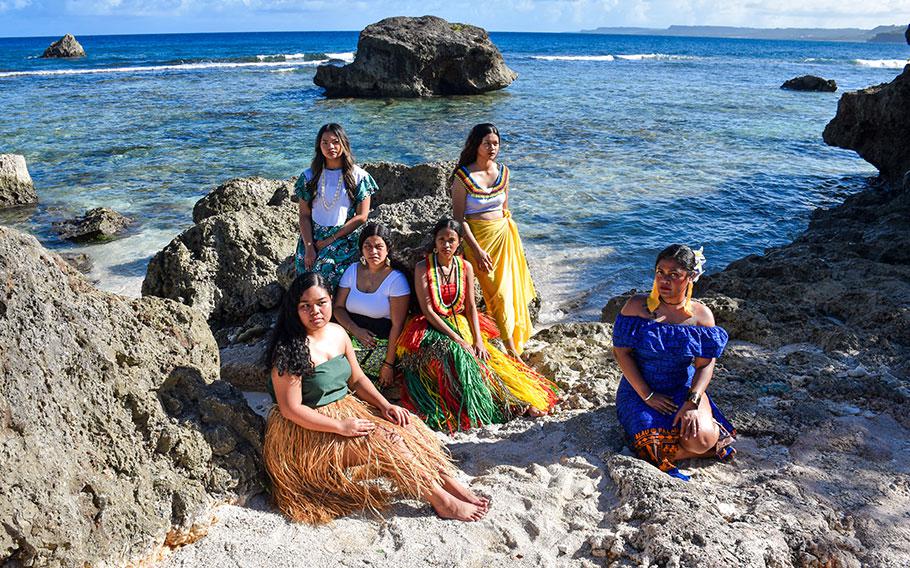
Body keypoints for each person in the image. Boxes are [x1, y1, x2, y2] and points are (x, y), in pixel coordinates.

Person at [262, 272, 489, 524]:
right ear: (294, 309)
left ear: (331, 300)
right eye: (305, 306)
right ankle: (441, 500)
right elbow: (291, 409)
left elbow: (357, 379)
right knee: (387, 443)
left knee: (407, 427)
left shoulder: (337, 332)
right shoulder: (289, 350)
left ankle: (448, 483)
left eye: (321, 303)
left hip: (343, 411)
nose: (315, 311)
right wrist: (341, 426)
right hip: (307, 429)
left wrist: (385, 405)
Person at [397, 218, 558, 432]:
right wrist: (457, 339)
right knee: (459, 356)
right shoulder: (422, 268)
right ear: (434, 242)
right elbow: (428, 310)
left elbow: (471, 306)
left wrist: (478, 340)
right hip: (432, 325)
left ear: (459, 242)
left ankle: (512, 401)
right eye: (441, 240)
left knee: (486, 359)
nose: (446, 245)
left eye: (451, 240)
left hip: (462, 323)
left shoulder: (465, 266)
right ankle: (490, 407)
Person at [612, 245, 736, 481]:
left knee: (701, 441)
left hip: (682, 387)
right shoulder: (637, 307)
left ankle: (708, 439)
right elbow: (622, 353)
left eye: (674, 275)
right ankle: (659, 444)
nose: (664, 280)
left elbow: (704, 365)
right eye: (660, 272)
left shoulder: (701, 316)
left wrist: (692, 402)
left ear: (690, 277)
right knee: (655, 447)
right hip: (639, 387)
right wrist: (647, 395)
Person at [451, 123, 535, 358]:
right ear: (476, 145)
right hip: (477, 239)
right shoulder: (463, 177)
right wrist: (476, 251)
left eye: (496, 143)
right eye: (487, 143)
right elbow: (459, 219)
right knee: (496, 294)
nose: (492, 148)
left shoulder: (504, 173)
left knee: (509, 291)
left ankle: (512, 343)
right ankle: (511, 350)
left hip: (504, 239)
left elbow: (505, 209)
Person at [294, 123, 379, 290]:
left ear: (344, 143)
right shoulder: (309, 176)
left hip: (343, 236)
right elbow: (304, 215)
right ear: (319, 146)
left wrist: (330, 240)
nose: (330, 147)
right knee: (305, 277)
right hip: (313, 236)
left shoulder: (359, 176)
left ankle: (332, 311)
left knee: (324, 270)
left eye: (335, 141)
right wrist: (310, 246)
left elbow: (362, 216)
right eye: (324, 142)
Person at [334, 223, 411, 387]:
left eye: (378, 246)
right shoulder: (352, 270)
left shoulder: (396, 280)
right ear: (361, 249)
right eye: (367, 246)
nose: (373, 251)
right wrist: (355, 330)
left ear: (388, 249)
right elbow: (338, 308)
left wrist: (388, 364)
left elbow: (398, 325)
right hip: (349, 334)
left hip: (379, 343)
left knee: (359, 385)